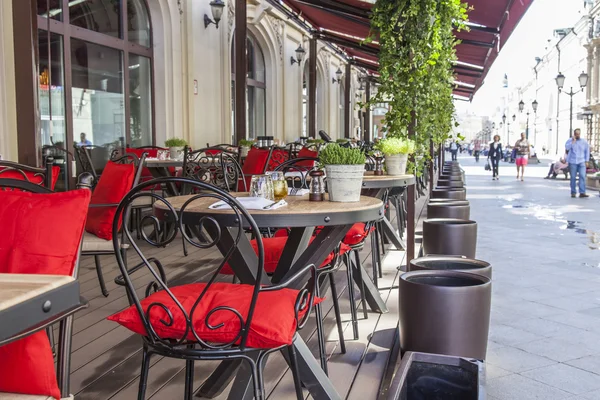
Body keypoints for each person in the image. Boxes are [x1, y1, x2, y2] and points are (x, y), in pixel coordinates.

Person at [565, 128, 590, 198]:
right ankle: (573, 192)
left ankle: (582, 192)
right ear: (574, 134)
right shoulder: (570, 140)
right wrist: (572, 142)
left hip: (581, 161)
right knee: (573, 177)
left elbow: (587, 151)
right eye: (576, 134)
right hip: (573, 162)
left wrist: (587, 161)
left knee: (582, 176)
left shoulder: (584, 142)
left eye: (578, 134)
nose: (577, 135)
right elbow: (567, 148)